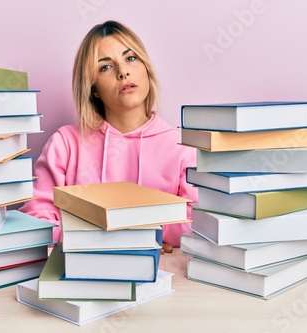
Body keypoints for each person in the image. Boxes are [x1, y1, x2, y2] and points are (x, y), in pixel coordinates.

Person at [19, 20, 198, 253]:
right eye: (105, 67)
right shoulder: (65, 144)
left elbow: (199, 224)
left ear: (146, 67)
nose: (123, 72)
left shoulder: (183, 149)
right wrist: (120, 237)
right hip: (81, 274)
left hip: (163, 277)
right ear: (93, 88)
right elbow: (37, 219)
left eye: (130, 58)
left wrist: (142, 233)